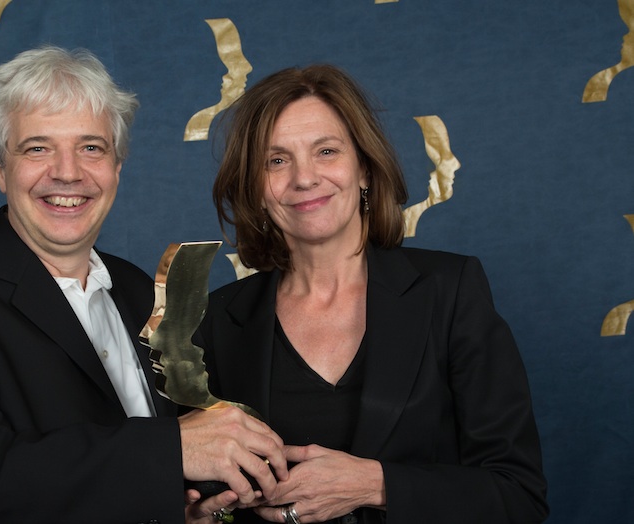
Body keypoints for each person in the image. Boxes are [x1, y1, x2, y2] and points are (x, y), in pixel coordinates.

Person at [0, 46, 287, 524]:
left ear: (117, 166)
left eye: (91, 148)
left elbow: (139, 483)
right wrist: (172, 448)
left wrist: (183, 507)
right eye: (37, 148)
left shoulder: (136, 289)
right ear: (0, 167)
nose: (67, 172)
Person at [190, 65, 548, 523]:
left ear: (364, 168)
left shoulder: (449, 290)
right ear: (255, 189)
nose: (304, 178)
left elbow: (518, 495)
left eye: (326, 151)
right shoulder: (219, 321)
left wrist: (374, 485)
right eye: (276, 161)